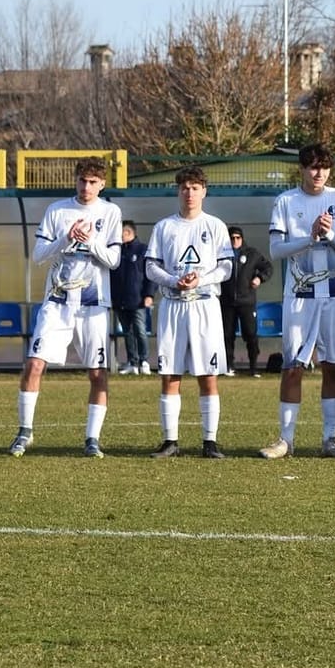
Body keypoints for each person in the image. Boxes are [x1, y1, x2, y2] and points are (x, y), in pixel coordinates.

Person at [11, 156, 121, 456]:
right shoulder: (57, 210)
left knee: (98, 372)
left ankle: (92, 439)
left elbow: (113, 260)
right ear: (76, 180)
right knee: (34, 364)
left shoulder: (110, 212)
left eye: (93, 182)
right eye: (82, 180)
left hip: (93, 305)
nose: (87, 187)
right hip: (57, 301)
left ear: (102, 184)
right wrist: (66, 238)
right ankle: (24, 432)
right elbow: (39, 256)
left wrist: (92, 241)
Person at [261, 143, 335, 459]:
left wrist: (329, 236)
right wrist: (310, 238)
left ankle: (330, 439)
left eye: (324, 167)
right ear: (302, 169)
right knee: (292, 366)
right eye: (312, 167)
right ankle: (285, 441)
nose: (318, 173)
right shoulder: (286, 201)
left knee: (333, 364)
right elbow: (276, 251)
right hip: (299, 296)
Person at [145, 167, 233, 458]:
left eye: (195, 187)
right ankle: (171, 441)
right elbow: (151, 266)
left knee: (208, 374)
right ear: (177, 190)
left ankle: (210, 442)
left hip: (205, 305)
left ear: (204, 191)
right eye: (185, 187)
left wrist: (201, 279)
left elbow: (226, 267)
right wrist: (173, 280)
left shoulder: (216, 226)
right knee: (170, 373)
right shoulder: (164, 227)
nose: (190, 193)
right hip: (172, 306)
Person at [220, 226, 271, 376]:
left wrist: (259, 278)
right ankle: (228, 366)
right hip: (227, 301)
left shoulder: (252, 254)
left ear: (242, 239)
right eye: (232, 238)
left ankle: (254, 367)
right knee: (227, 335)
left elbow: (267, 267)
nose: (235, 241)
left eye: (237, 238)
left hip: (247, 301)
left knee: (250, 334)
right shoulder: (221, 254)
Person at [111, 220, 153, 375]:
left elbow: (150, 276)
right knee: (127, 332)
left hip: (138, 300)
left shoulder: (143, 250)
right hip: (120, 300)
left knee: (140, 330)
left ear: (128, 233)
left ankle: (144, 361)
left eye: (120, 233)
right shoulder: (116, 252)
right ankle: (132, 362)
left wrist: (149, 295)